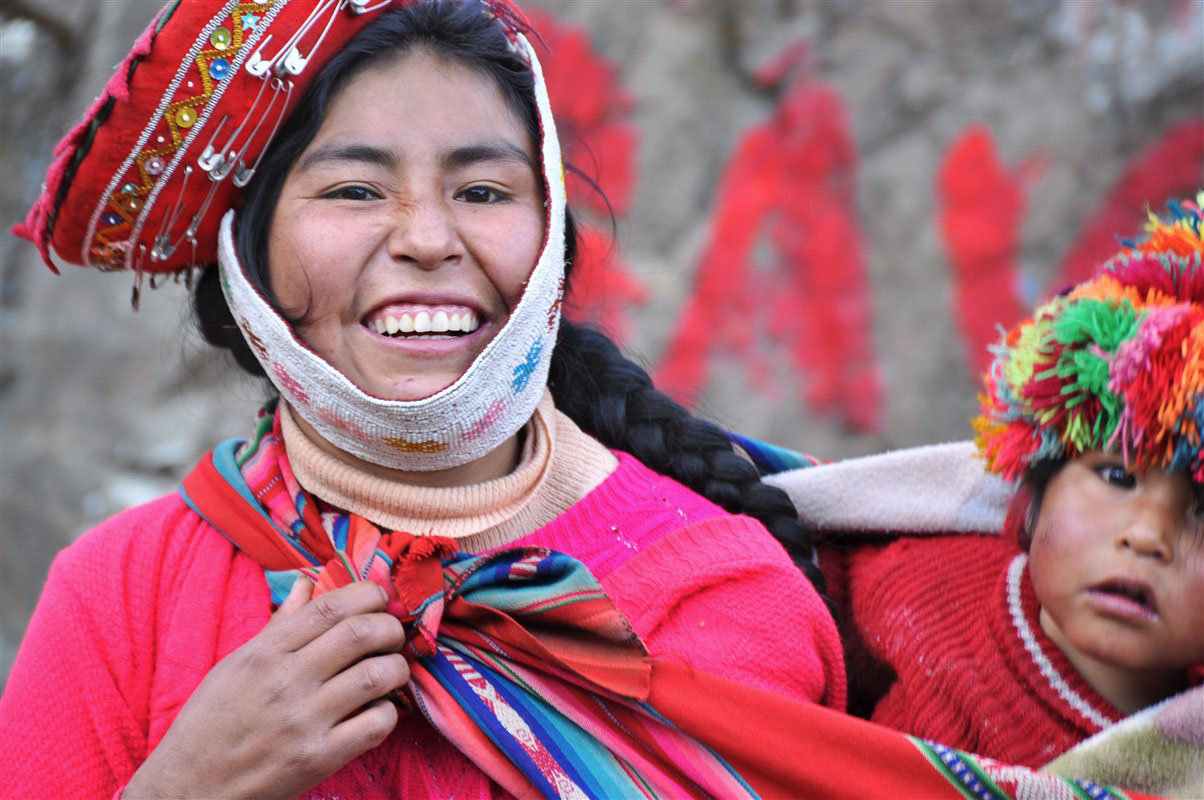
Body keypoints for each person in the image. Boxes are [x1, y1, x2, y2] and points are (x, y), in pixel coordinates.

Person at [0, 2, 1174, 798]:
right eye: (353, 187)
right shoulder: (124, 595)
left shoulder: (728, 590)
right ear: (247, 253)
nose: (426, 238)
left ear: (552, 234)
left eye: (483, 187)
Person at [776, 197, 1204, 770]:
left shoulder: (1184, 767)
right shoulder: (931, 583)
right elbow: (788, 599)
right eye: (1116, 475)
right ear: (1032, 496)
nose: (1148, 535)